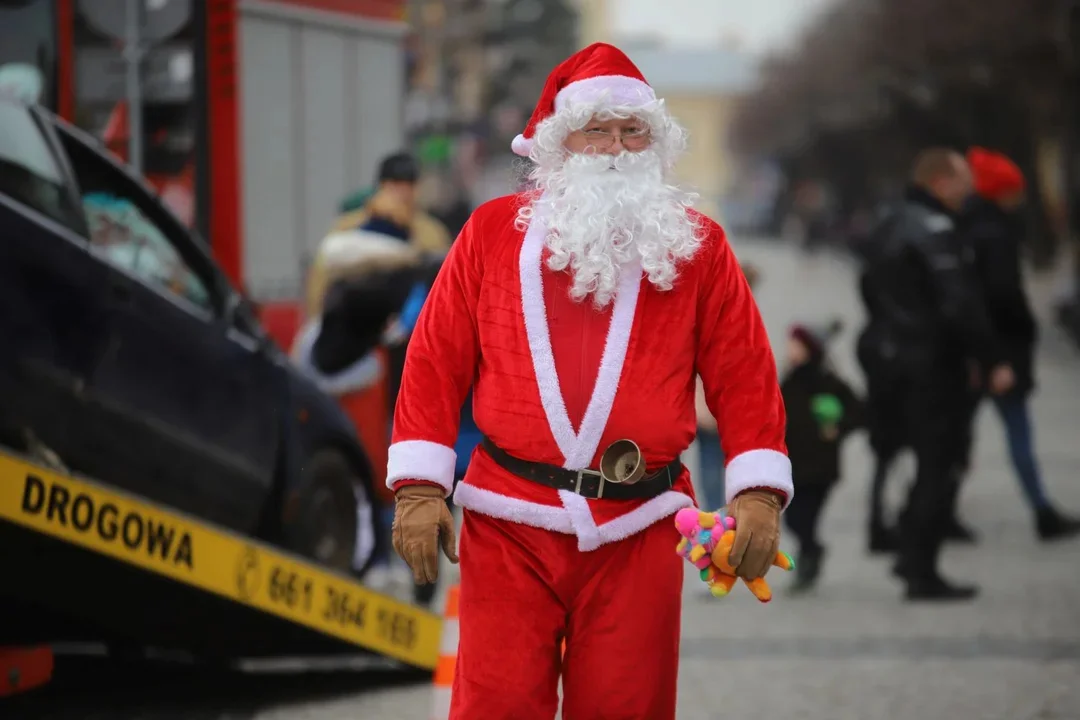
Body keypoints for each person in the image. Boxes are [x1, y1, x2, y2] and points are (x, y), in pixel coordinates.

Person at [386, 43, 793, 719]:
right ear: (558, 144)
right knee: (497, 705)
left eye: (633, 132)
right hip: (509, 519)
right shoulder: (489, 235)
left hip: (641, 524)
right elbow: (434, 358)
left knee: (626, 707)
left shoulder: (698, 246)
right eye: (597, 130)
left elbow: (744, 372)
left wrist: (758, 494)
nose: (616, 147)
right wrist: (421, 488)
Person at [857, 147, 1014, 601]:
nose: (967, 192)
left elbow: (868, 286)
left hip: (887, 356)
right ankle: (920, 568)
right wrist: (991, 359)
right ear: (941, 182)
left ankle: (903, 547)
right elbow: (960, 303)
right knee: (937, 463)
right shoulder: (937, 229)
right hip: (930, 362)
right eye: (962, 182)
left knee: (897, 451)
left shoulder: (888, 221)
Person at [960, 147, 1080, 541]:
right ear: (1001, 192)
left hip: (977, 351)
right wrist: (1003, 354)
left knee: (958, 434)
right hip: (1001, 353)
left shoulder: (968, 226)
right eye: (1015, 190)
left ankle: (934, 510)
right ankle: (1042, 511)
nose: (1021, 198)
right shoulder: (996, 234)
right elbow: (1002, 298)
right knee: (1016, 432)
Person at [780, 319, 864, 593]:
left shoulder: (828, 382)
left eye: (796, 345)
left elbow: (860, 411)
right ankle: (812, 551)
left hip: (821, 467)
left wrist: (838, 428)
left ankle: (807, 562)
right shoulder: (787, 382)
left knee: (807, 518)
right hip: (793, 467)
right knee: (793, 519)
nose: (790, 351)